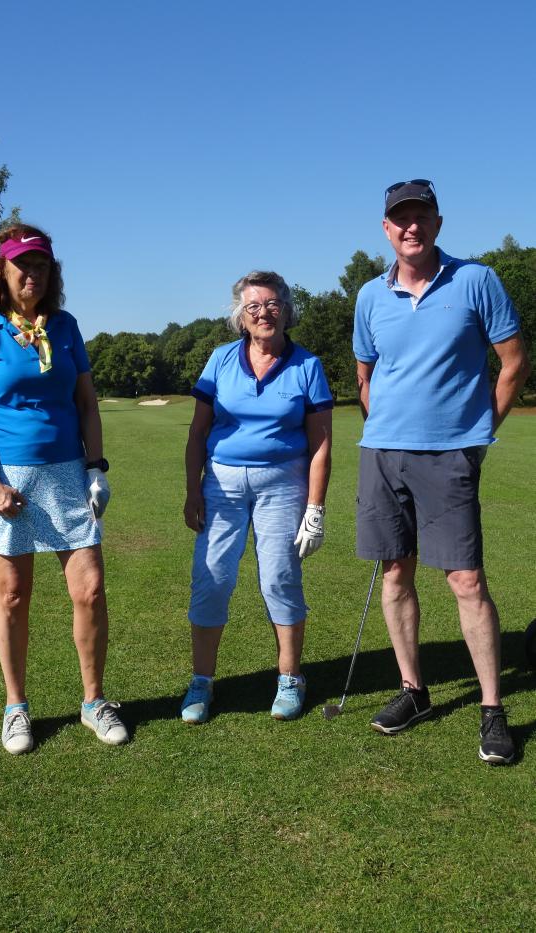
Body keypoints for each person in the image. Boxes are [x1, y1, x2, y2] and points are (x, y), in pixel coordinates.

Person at [353, 179, 531, 764]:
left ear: (437, 223)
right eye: (400, 218)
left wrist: (479, 434)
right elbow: (364, 374)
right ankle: (414, 690)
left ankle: (492, 708)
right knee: (395, 574)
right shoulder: (369, 295)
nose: (411, 227)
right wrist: (384, 428)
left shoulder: (476, 280)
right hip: (383, 454)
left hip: (450, 454)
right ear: (386, 229)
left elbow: (513, 362)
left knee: (466, 581)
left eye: (421, 216)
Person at [0, 224, 128, 753]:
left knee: (90, 589)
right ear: (1, 271)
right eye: (22, 265)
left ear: (52, 273)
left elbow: (86, 404)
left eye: (41, 265)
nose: (32, 273)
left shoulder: (66, 326)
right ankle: (16, 708)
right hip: (7, 478)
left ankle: (93, 702)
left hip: (67, 473)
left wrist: (95, 467)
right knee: (12, 596)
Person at [181, 271, 333, 724]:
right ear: (241, 316)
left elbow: (321, 444)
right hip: (221, 484)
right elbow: (197, 432)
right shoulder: (220, 359)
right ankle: (202, 681)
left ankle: (290, 678)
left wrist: (316, 508)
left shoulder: (307, 366)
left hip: (283, 484)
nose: (263, 313)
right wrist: (192, 490)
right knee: (211, 579)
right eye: (253, 306)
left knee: (279, 579)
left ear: (286, 311)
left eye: (271, 304)